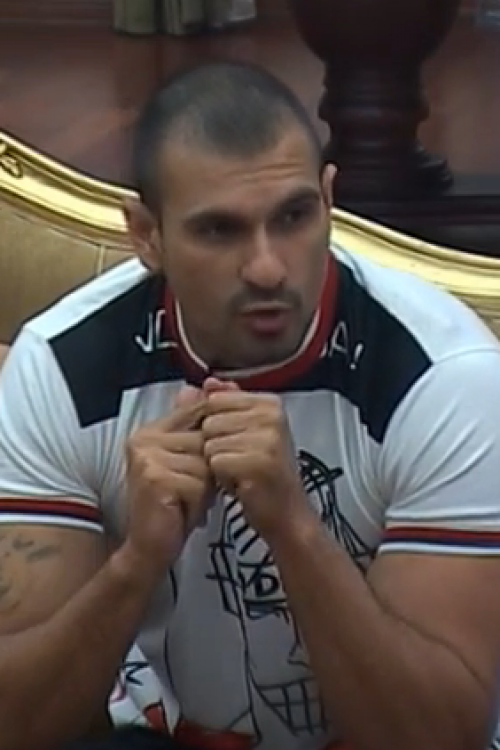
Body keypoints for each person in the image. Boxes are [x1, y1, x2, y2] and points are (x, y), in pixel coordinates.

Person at [0, 60, 500, 750]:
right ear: (146, 234)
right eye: (219, 230)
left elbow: (437, 738)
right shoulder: (63, 368)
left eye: (293, 216)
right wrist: (137, 560)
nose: (267, 267)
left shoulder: (442, 377)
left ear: (329, 201)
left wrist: (293, 529)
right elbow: (18, 726)